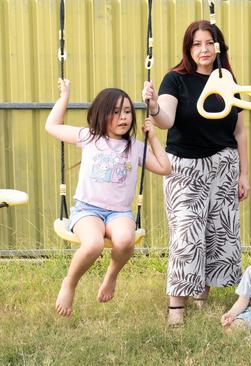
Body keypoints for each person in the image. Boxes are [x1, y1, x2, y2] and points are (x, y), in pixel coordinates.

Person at [141, 20, 250, 325]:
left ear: (218, 47)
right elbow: (166, 119)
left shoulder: (226, 79)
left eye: (209, 43)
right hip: (186, 168)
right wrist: (152, 106)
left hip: (224, 165)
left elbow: (240, 132)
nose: (203, 49)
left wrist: (244, 174)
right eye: (196, 44)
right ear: (188, 48)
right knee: (187, 235)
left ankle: (202, 294)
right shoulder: (176, 80)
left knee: (218, 232)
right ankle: (177, 304)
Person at [45, 79, 171, 317]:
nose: (123, 117)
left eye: (127, 111)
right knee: (92, 244)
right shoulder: (90, 138)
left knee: (126, 240)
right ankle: (69, 283)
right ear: (101, 115)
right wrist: (64, 98)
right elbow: (52, 126)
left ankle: (111, 275)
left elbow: (165, 168)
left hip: (119, 213)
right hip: (87, 210)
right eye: (115, 112)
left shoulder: (135, 147)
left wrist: (152, 136)